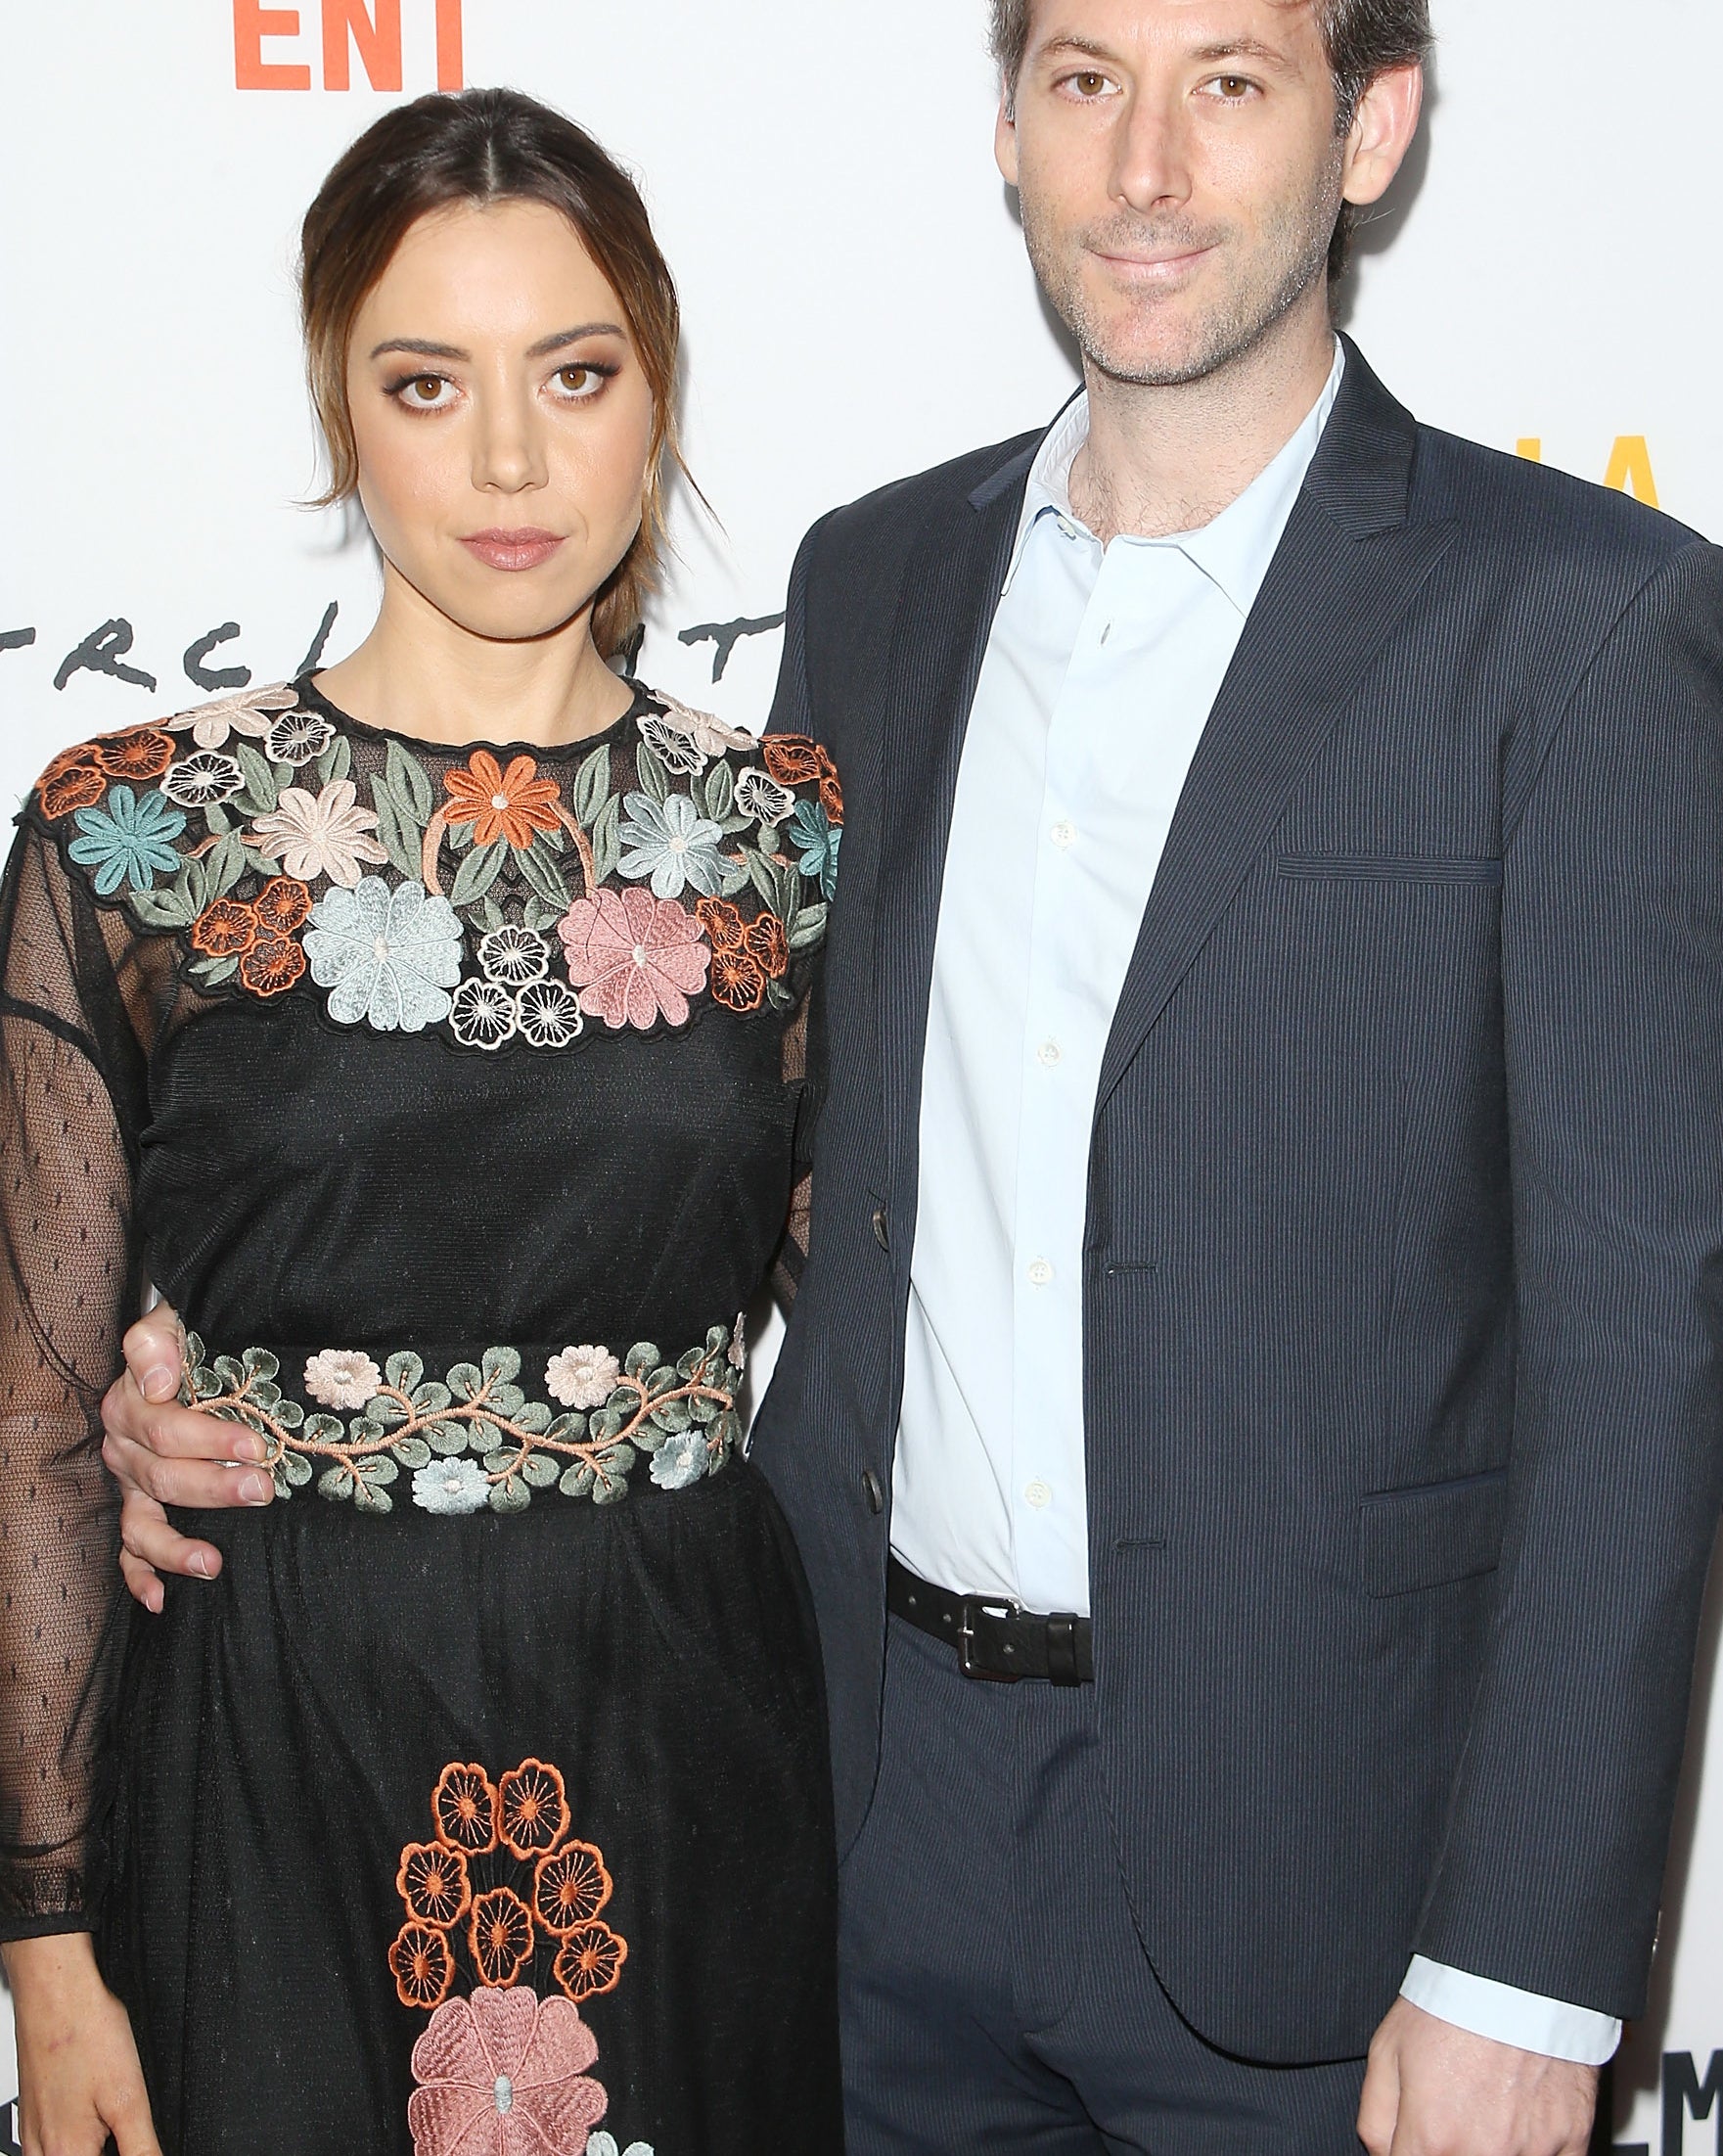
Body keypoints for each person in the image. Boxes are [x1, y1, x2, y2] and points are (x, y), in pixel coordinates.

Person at [103, 2, 1723, 2153]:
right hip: (846, 1821)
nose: (1141, 164)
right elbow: (693, 1150)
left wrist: (1523, 1957)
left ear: (1372, 126)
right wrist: (212, 1376)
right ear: (1008, 128)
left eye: (1225, 80)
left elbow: (1639, 1333)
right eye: (1081, 80)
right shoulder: (875, 582)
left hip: (1322, 1867)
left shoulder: (1582, 621)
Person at [0, 87, 843, 2156]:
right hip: (267, 1728)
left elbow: (900, 1292)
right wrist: (42, 1939)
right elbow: (27, 1416)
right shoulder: (134, 832)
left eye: (572, 372)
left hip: (684, 1725)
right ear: (337, 414)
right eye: (422, 380)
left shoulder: (779, 836)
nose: (505, 458)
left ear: (651, 396)